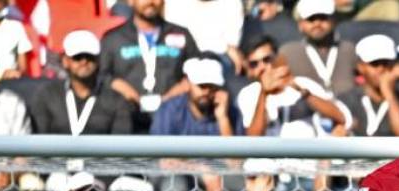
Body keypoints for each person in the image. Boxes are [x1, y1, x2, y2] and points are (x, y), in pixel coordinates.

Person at [99, 0, 200, 132]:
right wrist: (126, 91)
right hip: (127, 119)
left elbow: (197, 72)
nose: (151, 2)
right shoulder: (113, 38)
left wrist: (172, 95)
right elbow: (102, 75)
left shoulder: (181, 34)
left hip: (173, 118)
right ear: (130, 2)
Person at [239, 35, 348, 139]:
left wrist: (299, 89)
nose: (262, 67)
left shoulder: (303, 83)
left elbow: (339, 117)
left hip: (307, 155)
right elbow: (253, 138)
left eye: (267, 60)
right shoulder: (248, 94)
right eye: (254, 64)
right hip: (270, 156)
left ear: (277, 58)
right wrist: (264, 93)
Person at [30, 31, 134, 135]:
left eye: (89, 57)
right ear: (65, 61)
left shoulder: (116, 100)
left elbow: (120, 144)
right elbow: (38, 139)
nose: (84, 62)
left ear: (98, 60)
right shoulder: (47, 95)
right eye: (77, 57)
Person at [341, 34, 399, 137]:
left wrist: (388, 93)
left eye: (386, 63)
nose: (381, 69)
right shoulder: (347, 100)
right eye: (375, 63)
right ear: (360, 66)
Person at [278, 0, 359, 97]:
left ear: (334, 21)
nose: (317, 24)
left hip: (348, 109)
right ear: (300, 25)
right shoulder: (288, 53)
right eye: (311, 19)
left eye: (323, 18)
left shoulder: (349, 49)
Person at [150, 58, 243, 136]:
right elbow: (159, 154)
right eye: (201, 85)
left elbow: (235, 157)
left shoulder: (230, 112)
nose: (206, 91)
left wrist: (223, 119)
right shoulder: (169, 110)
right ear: (187, 83)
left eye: (211, 85)